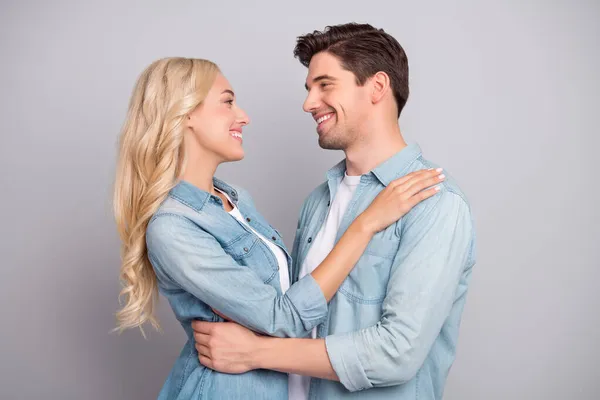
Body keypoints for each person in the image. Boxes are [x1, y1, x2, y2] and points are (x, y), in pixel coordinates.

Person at [113, 57, 443, 399]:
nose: (243, 116)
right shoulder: (173, 228)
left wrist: (257, 350)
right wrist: (366, 224)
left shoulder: (237, 199)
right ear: (185, 114)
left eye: (325, 85)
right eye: (227, 102)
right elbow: (281, 317)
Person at [191, 23, 476, 400]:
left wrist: (256, 353)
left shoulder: (435, 202)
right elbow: (293, 316)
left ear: (377, 87)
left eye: (325, 85)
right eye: (309, 89)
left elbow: (398, 353)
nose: (308, 103)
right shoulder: (317, 202)